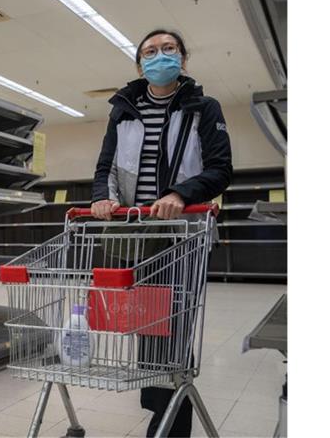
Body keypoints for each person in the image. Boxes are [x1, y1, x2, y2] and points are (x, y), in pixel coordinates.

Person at [90, 29, 233, 437]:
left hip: (182, 236)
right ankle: (160, 408)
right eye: (150, 52)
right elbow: (105, 169)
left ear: (183, 58)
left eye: (168, 49)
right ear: (139, 65)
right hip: (135, 236)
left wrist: (179, 194)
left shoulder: (203, 107)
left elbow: (220, 168)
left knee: (171, 330)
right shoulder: (123, 110)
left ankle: (167, 423)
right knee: (147, 327)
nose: (159, 56)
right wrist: (103, 198)